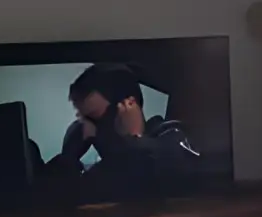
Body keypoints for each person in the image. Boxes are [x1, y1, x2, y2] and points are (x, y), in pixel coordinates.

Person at [58, 62, 203, 199]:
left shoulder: (171, 137)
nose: (87, 129)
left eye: (94, 117)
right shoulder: (105, 166)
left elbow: (178, 177)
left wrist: (134, 140)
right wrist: (68, 158)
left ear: (129, 105)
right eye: (82, 120)